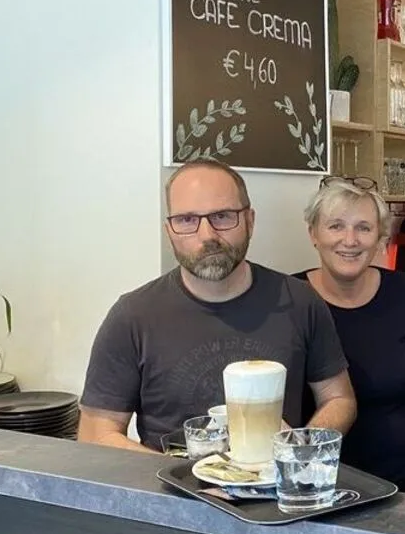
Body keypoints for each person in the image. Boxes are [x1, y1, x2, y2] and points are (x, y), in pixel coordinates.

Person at [78, 158, 358, 454]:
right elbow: (97, 433)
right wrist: (181, 478)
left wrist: (300, 446)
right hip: (170, 496)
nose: (207, 235)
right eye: (187, 220)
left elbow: (339, 399)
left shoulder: (300, 301)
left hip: (277, 495)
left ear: (250, 221)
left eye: (223, 217)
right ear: (169, 230)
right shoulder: (133, 316)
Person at [293, 176, 405, 497]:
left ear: (381, 237)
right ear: (313, 234)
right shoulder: (290, 299)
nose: (350, 240)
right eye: (336, 226)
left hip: (403, 487)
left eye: (363, 228)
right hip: (315, 489)